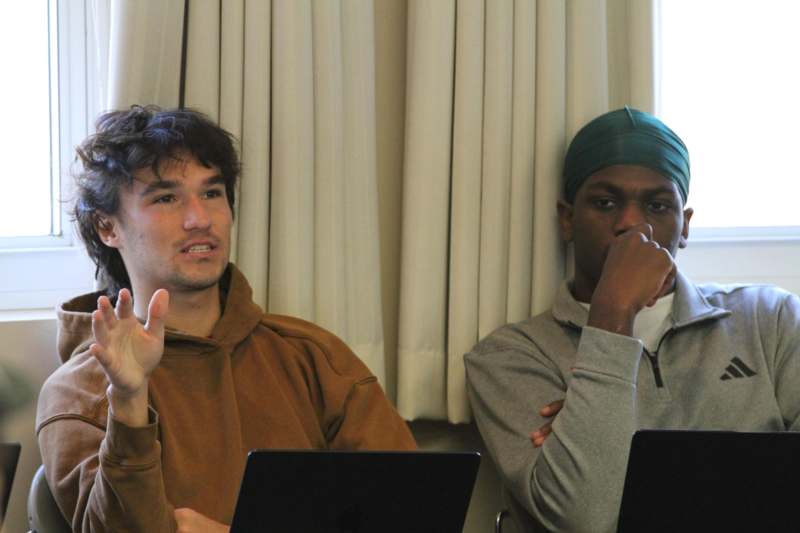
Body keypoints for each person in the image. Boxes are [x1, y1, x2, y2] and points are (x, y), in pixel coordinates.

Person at [36, 105, 416, 532]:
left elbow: (411, 515)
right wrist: (129, 402)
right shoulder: (80, 390)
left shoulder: (313, 357)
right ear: (107, 227)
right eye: (166, 198)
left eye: (212, 193)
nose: (200, 219)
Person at [464, 107, 800, 533]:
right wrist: (612, 313)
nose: (631, 224)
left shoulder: (770, 320)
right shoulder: (509, 357)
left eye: (658, 205)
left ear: (685, 226)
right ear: (567, 219)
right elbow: (586, 518)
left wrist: (605, 426)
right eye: (605, 203)